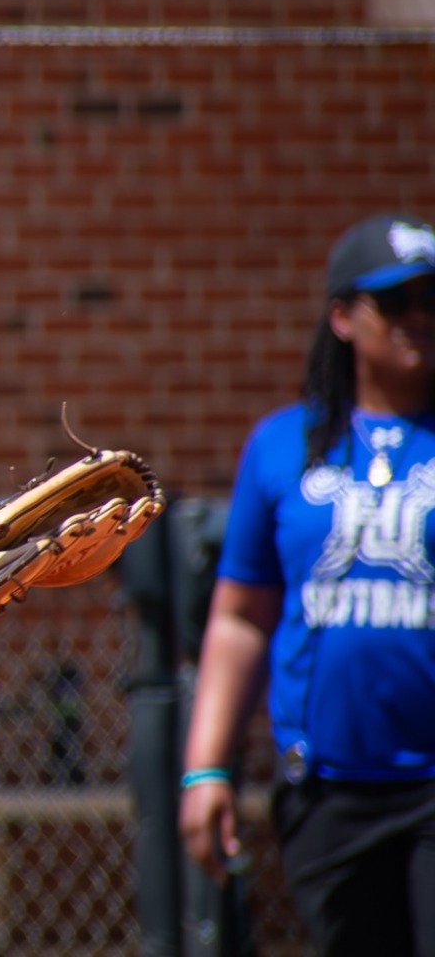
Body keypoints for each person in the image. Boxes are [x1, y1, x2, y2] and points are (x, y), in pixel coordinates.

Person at [180, 213, 435, 957]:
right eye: (397, 302)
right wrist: (206, 766)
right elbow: (241, 619)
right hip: (326, 790)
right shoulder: (281, 445)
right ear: (344, 317)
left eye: (432, 301)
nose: (419, 319)